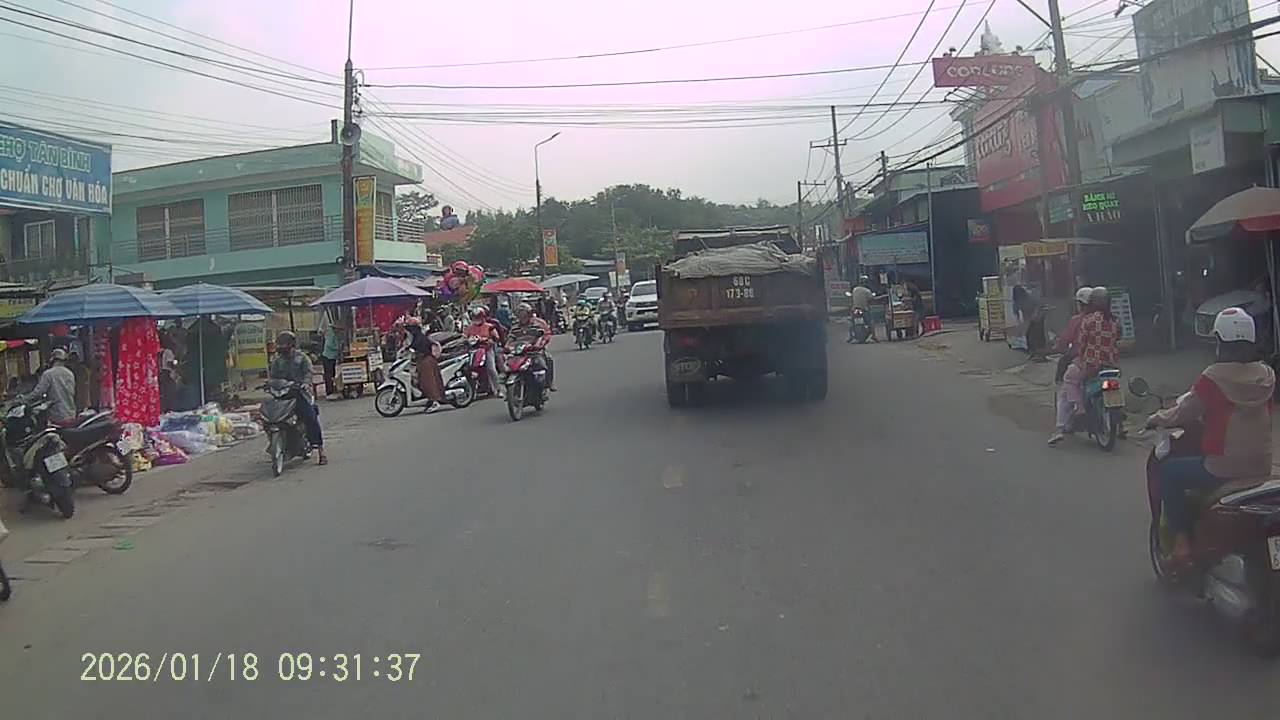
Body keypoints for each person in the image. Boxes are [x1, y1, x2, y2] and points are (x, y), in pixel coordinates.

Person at [1147, 308, 1274, 564]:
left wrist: (1157, 418)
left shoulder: (1214, 376)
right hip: (1262, 465)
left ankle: (1181, 543)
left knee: (1169, 472)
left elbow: (1185, 412)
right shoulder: (1266, 376)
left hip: (1223, 466)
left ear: (1220, 341)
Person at [1049, 287, 1121, 446]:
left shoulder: (1086, 320)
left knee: (1069, 379)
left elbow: (1081, 344)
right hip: (1111, 364)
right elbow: (1118, 338)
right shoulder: (1115, 320)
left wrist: (1080, 357)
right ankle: (1120, 425)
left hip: (1090, 364)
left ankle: (1079, 408)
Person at [268, 331, 326, 465]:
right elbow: (273, 377)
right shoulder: (277, 361)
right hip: (283, 394)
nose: (282, 347)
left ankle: (321, 450)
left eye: (284, 344)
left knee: (310, 417)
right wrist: (270, 384)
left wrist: (305, 383)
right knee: (269, 416)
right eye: (280, 345)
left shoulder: (302, 358)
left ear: (292, 345)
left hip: (300, 394)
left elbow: (308, 373)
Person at [26, 348, 77, 427]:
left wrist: (24, 399)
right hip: (71, 414)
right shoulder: (70, 374)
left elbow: (38, 392)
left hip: (57, 416)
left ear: (52, 360)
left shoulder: (48, 374)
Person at [510, 302, 555, 390]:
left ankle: (550, 383)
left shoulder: (539, 323)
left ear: (529, 314)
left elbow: (546, 334)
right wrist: (508, 346)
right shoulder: (515, 326)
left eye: (524, 314)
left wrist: (541, 343)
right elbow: (510, 338)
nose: (522, 317)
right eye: (519, 314)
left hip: (535, 351)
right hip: (519, 352)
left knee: (548, 359)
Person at [404, 316, 445, 411]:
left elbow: (416, 346)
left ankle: (435, 401)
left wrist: (409, 348)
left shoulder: (419, 337)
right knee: (422, 382)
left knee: (428, 382)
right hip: (422, 360)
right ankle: (430, 400)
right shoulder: (417, 336)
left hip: (426, 361)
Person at [464, 306, 504, 398]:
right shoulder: (470, 328)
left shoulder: (489, 327)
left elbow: (496, 337)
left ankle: (498, 390)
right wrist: (467, 340)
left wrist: (488, 340)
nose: (476, 319)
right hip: (473, 351)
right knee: (468, 368)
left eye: (478, 317)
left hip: (487, 349)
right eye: (475, 317)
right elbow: (464, 337)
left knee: (491, 369)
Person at [320, 316, 342, 399]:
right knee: (329, 374)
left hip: (332, 357)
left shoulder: (334, 335)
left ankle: (332, 389)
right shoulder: (330, 334)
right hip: (328, 356)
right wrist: (337, 348)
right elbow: (329, 345)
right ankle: (329, 391)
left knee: (332, 374)